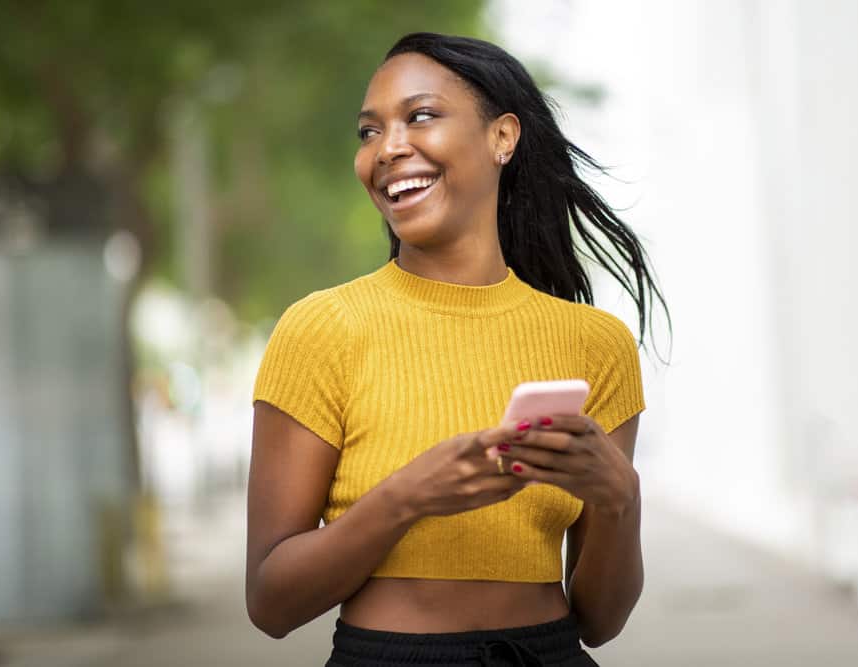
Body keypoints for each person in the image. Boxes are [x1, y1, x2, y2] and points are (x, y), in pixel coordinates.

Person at [246, 32, 670, 666]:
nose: (387, 148)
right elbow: (271, 603)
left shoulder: (594, 345)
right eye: (368, 132)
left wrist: (620, 499)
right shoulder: (321, 329)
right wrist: (409, 496)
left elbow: (602, 620)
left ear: (503, 137)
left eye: (420, 116)